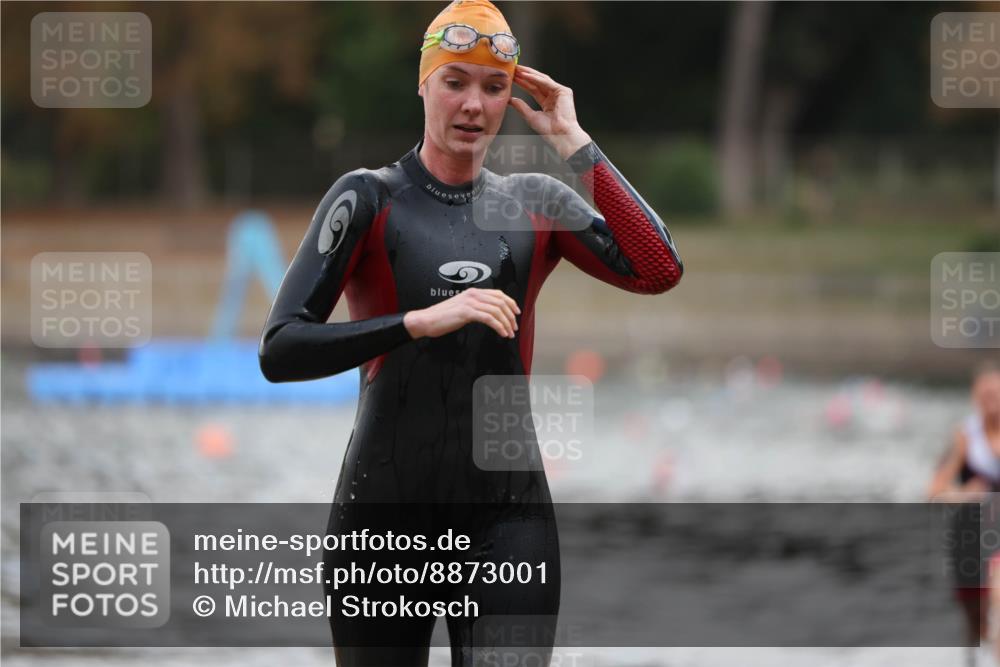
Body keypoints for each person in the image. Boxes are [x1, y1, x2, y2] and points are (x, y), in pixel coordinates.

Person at [258, 1, 683, 664]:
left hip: (507, 522)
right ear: (423, 83)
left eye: (494, 87)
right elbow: (281, 348)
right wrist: (415, 323)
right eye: (454, 81)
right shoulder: (367, 198)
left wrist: (574, 143)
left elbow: (659, 269)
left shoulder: (537, 202)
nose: (473, 105)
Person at [928, 363, 1000, 666]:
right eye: (985, 393)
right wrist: (966, 493)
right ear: (974, 396)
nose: (991, 399)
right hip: (972, 537)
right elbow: (934, 492)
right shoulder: (964, 438)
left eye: (996, 393)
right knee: (977, 626)